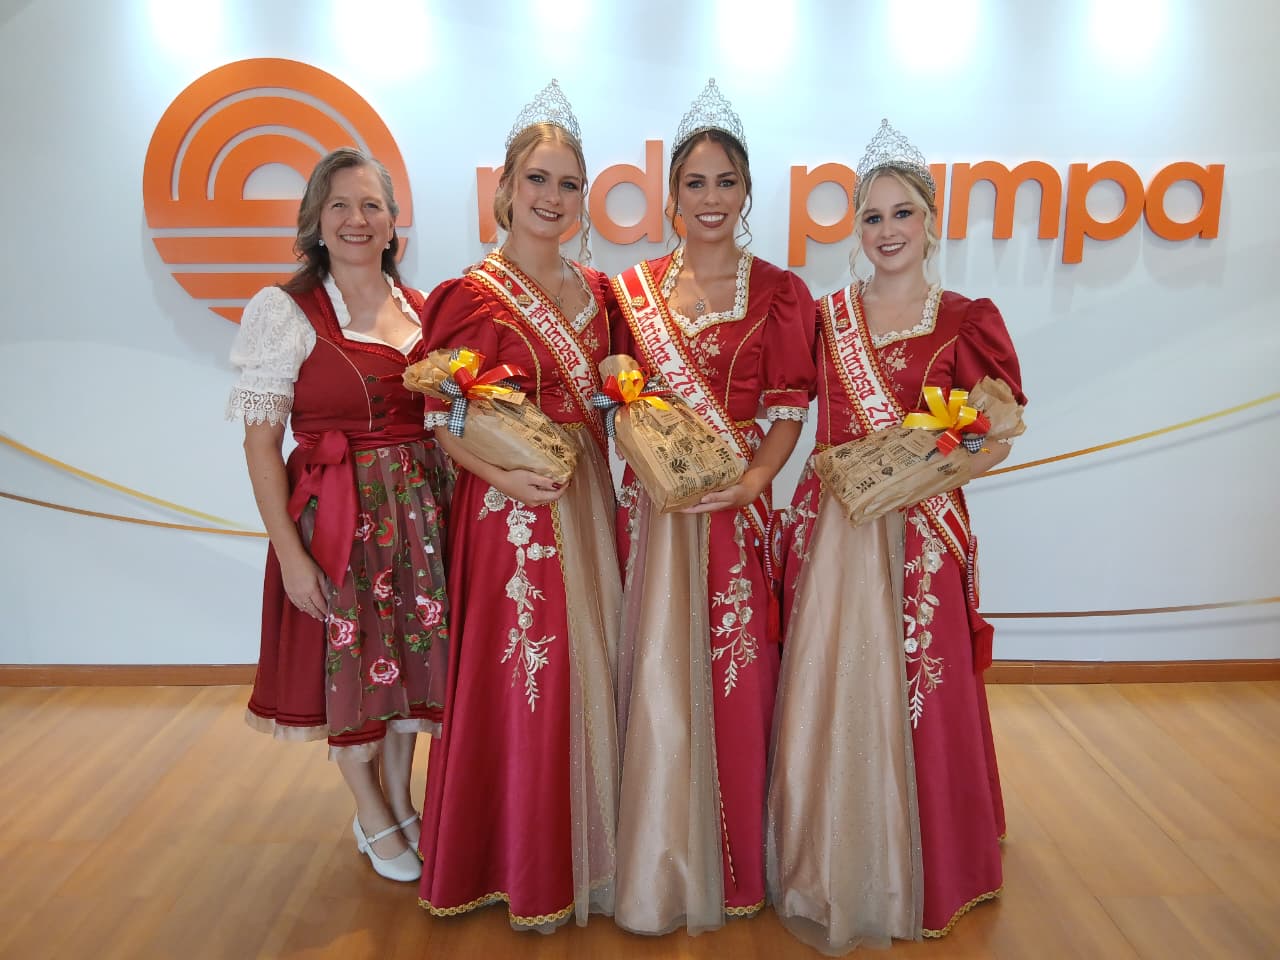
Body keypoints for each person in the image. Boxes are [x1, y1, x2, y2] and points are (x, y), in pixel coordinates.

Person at [766, 119, 1026, 952]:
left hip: (919, 534)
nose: (887, 231)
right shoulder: (823, 317)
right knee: (830, 681)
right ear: (857, 228)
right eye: (872, 217)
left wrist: (937, 470)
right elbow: (784, 407)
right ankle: (826, 853)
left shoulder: (965, 320)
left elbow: (994, 433)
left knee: (922, 684)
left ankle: (931, 858)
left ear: (931, 220)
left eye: (902, 213)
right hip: (834, 530)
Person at [609, 78, 817, 934]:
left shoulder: (780, 292)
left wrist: (756, 481)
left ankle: (738, 860)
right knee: (653, 671)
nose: (710, 198)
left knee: (738, 674)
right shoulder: (630, 292)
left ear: (747, 192)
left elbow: (789, 410)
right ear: (671, 194)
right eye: (695, 182)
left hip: (734, 512)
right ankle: (655, 854)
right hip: (654, 513)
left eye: (726, 182)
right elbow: (612, 400)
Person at [415, 80, 621, 932]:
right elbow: (442, 420)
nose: (552, 197)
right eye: (538, 179)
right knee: (525, 673)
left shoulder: (601, 292)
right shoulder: (469, 295)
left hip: (588, 497)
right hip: (510, 512)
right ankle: (510, 858)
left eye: (569, 184)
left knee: (592, 666)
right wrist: (501, 480)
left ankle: (592, 851)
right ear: (505, 187)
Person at [228, 147, 452, 883]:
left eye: (371, 206)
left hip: (421, 513)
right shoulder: (285, 311)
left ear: (392, 222)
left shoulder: (421, 308)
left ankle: (402, 799)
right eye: (340, 206)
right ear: (316, 222)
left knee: (410, 662)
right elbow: (261, 444)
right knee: (353, 664)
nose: (357, 220)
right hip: (338, 521)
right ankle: (371, 809)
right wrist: (292, 556)